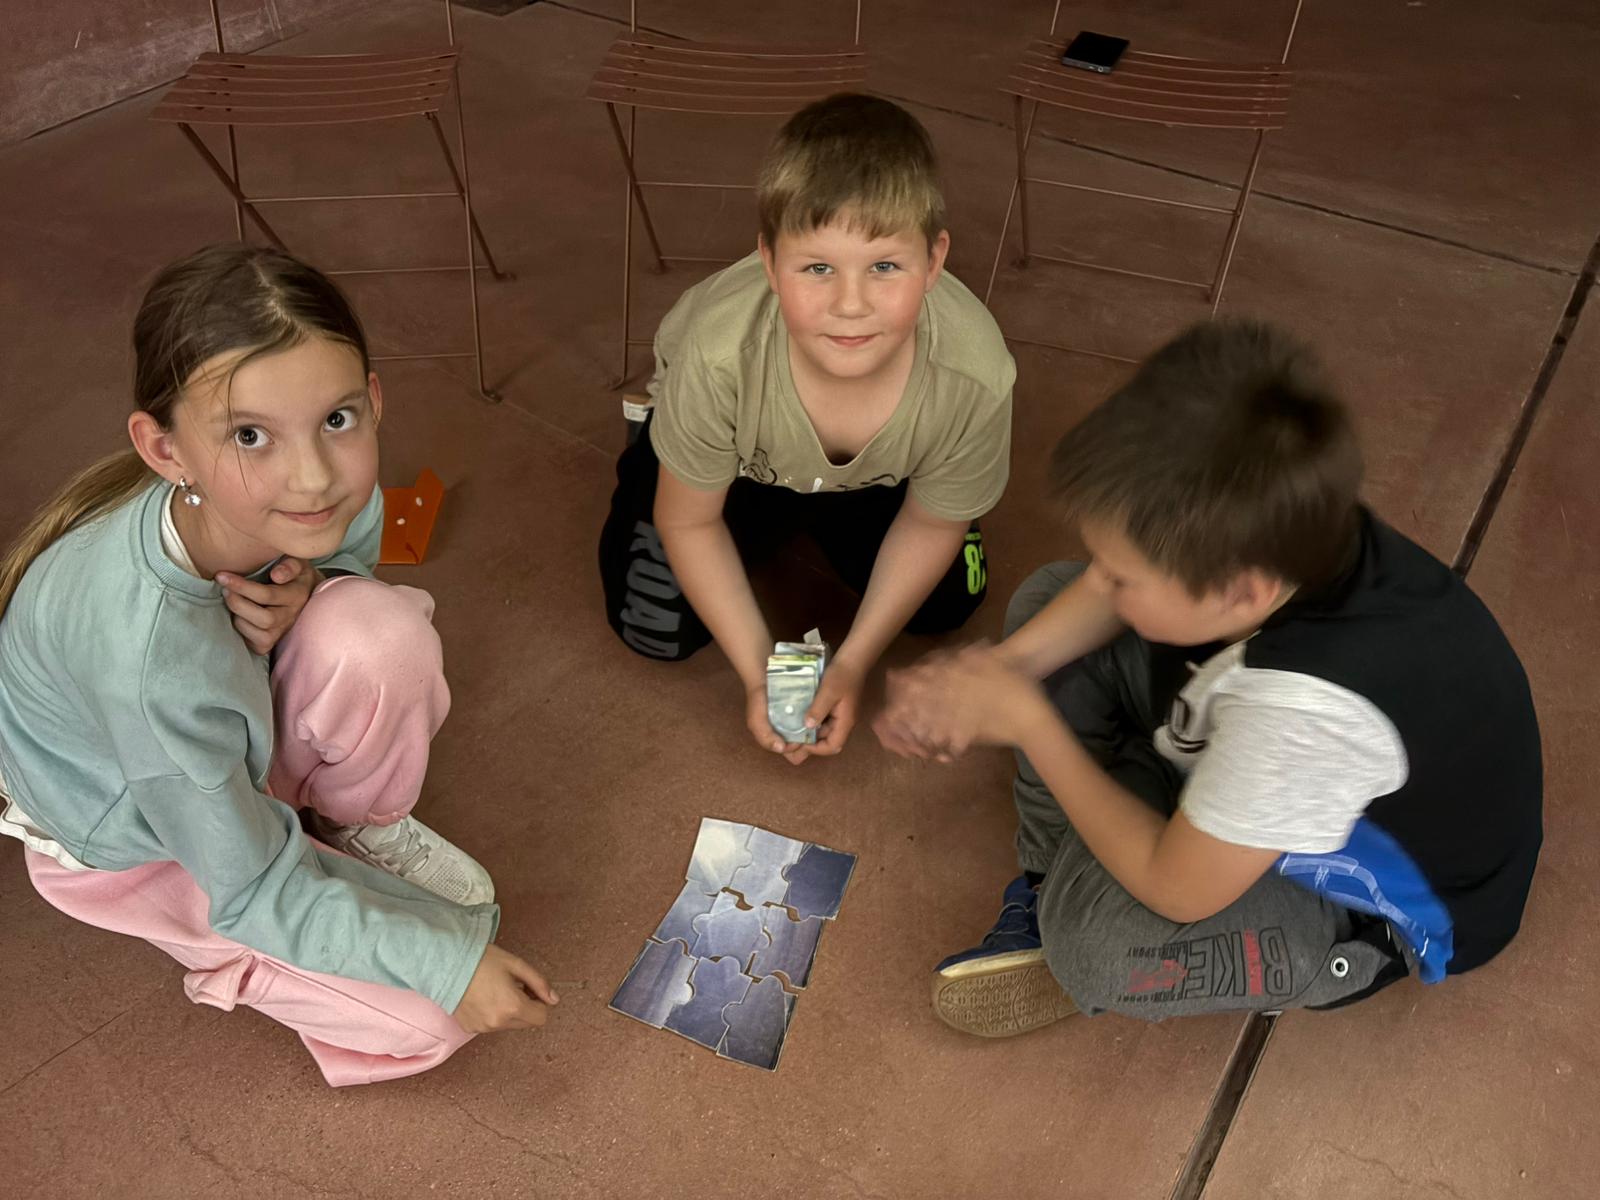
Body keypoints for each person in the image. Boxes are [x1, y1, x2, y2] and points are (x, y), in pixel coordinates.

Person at [876, 319, 1543, 1034]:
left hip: (1348, 901)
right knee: (1048, 603)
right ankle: (1067, 869)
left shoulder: (1303, 710)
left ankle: (1094, 894)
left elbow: (1177, 891)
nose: (1103, 582)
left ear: (1242, 591)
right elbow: (1092, 594)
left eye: (1123, 576)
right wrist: (1002, 671)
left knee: (1098, 946)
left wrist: (1032, 723)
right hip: (1253, 753)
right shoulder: (1279, 522)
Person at [0, 244, 556, 1086]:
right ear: (165, 450)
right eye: (251, 435)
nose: (313, 477)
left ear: (372, 401)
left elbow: (350, 563)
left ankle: (351, 824)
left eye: (337, 419)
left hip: (225, 739)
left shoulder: (318, 497)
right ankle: (238, 949)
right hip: (147, 832)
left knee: (381, 633)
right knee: (431, 1019)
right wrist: (446, 967)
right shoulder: (146, 666)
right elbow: (250, 887)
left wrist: (320, 587)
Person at [599, 93, 1015, 764]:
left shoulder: (977, 373)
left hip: (877, 476)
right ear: (769, 263)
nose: (850, 305)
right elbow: (690, 523)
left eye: (885, 266)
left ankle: (844, 501)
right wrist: (758, 673)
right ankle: (667, 446)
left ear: (934, 262)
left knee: (947, 605)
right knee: (653, 629)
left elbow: (933, 525)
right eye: (818, 267)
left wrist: (851, 664)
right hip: (743, 463)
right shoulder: (718, 355)